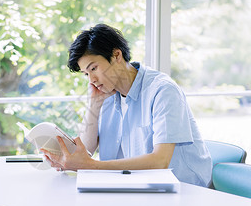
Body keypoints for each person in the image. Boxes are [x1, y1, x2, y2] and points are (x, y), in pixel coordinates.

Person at [41, 24, 212, 187]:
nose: (91, 80)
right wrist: (94, 104)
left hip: (184, 190)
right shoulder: (106, 93)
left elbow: (160, 161)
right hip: (136, 187)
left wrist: (90, 165)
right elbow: (86, 152)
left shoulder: (163, 91)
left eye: (93, 68)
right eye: (86, 74)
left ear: (116, 56)